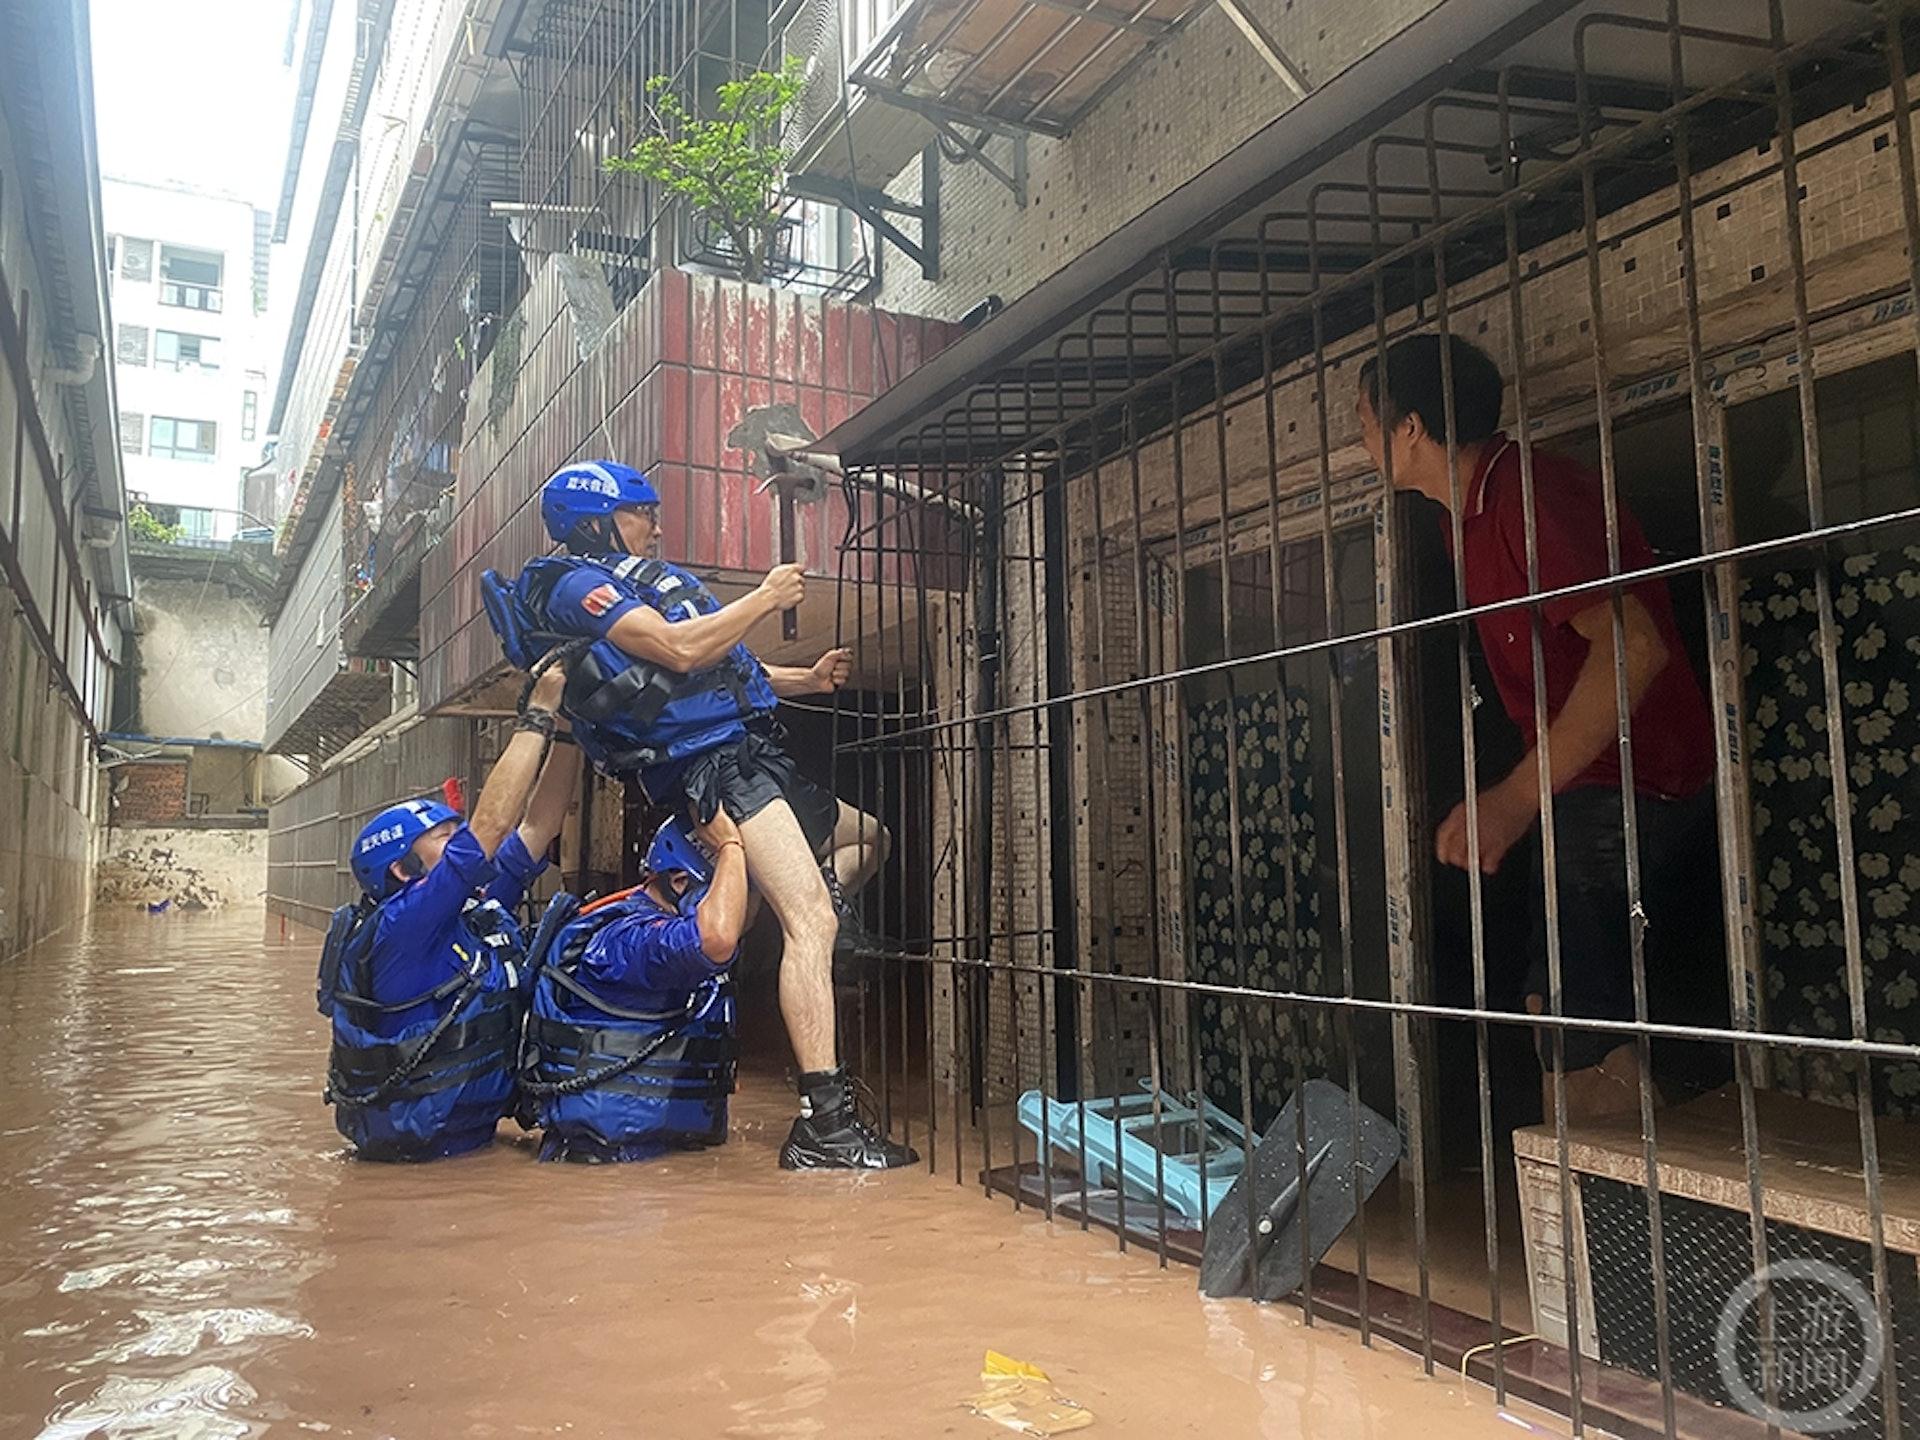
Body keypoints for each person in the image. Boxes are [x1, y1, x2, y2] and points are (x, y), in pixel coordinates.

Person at [483, 459, 914, 1170]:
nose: (654, 525)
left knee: (869, 836)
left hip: (751, 756)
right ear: (595, 522)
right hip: (715, 773)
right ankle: (823, 1125)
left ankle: (797, 923)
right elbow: (681, 649)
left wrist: (806, 677)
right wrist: (768, 596)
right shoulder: (577, 589)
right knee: (815, 924)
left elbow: (721, 661)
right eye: (639, 512)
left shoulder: (638, 583)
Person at [1357, 334, 1718, 1122]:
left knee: (1573, 1021)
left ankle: (1625, 1211)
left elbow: (1633, 647)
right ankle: (1612, 1189)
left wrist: (1515, 798)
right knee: (1546, 1000)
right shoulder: (1467, 518)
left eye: (1365, 420)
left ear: (1410, 426)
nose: (1361, 441)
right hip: (1583, 784)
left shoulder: (1527, 495)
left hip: (1636, 778)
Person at [317, 661, 582, 1160]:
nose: (460, 841)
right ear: (403, 870)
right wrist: (539, 714)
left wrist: (569, 731)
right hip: (416, 1162)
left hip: (473, 1144)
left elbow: (538, 825)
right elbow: (491, 829)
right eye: (444, 837)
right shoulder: (401, 926)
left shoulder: (474, 910)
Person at [521, 812, 748, 1162]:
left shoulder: (666, 933)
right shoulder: (627, 939)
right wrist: (731, 847)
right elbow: (715, 939)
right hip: (605, 1169)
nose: (739, 909)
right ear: (679, 882)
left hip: (666, 1162)